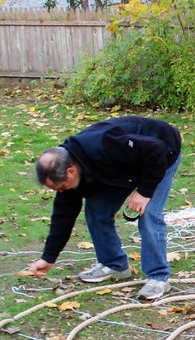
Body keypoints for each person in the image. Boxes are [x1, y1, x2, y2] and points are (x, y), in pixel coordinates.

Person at [25, 116, 183, 301]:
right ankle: (114, 265)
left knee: (148, 213)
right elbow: (63, 217)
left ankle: (158, 277)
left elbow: (155, 149)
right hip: (123, 167)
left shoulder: (103, 145)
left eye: (60, 187)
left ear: (71, 171)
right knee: (97, 212)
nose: (61, 192)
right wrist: (48, 258)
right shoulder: (67, 169)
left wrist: (144, 192)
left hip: (161, 153)